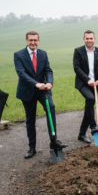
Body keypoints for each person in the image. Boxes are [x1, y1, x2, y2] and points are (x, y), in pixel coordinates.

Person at [14, 31, 67, 159]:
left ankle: (54, 141)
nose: (33, 42)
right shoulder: (18, 55)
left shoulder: (43, 53)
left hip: (43, 90)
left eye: (35, 40)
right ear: (26, 41)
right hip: (27, 90)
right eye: (30, 40)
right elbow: (21, 73)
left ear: (39, 41)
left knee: (51, 108)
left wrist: (49, 82)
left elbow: (48, 70)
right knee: (30, 119)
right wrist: (35, 84)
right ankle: (32, 147)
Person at [73, 30, 98, 143]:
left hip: (95, 85)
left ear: (94, 39)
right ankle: (93, 126)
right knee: (90, 99)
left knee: (89, 107)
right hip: (83, 83)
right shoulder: (78, 51)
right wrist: (88, 80)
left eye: (91, 38)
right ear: (84, 39)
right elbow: (77, 68)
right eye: (87, 38)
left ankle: (81, 134)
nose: (89, 40)